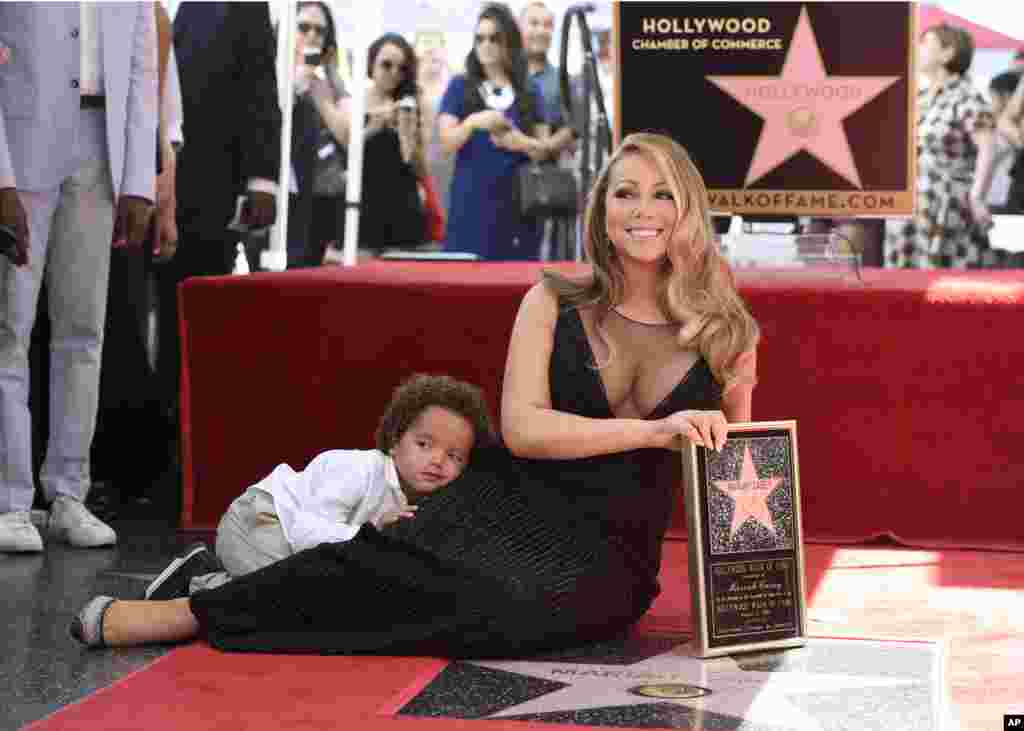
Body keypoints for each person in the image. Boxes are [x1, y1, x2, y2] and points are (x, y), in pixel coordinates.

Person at [70, 132, 759, 658]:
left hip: (609, 563)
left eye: (663, 193)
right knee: (388, 564)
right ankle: (191, 611)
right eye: (625, 192)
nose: (644, 211)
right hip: (509, 504)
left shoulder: (726, 328)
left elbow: (737, 473)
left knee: (495, 609)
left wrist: (739, 609)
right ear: (601, 208)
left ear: (688, 207)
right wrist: (653, 432)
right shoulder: (550, 301)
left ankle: (226, 591)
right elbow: (521, 429)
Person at [0, 3, 158, 552]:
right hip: (21, 145)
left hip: (101, 144)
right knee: (8, 329)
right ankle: (8, 500)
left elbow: (143, 67)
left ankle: (70, 491)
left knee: (84, 329)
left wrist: (140, 181)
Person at [137, 373, 494, 602]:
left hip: (291, 542)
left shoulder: (425, 499)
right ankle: (200, 583)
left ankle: (211, 575)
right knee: (295, 594)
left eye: (454, 456)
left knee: (324, 593)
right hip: (261, 522)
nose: (437, 461)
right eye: (425, 444)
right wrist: (369, 532)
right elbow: (305, 533)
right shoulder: (356, 468)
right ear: (396, 439)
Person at [155, 1, 281, 442]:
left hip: (207, 185)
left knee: (187, 322)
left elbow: (259, 86)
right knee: (115, 322)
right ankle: (117, 453)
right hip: (115, 173)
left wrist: (263, 179)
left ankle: (178, 446)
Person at [439, 2, 549, 260]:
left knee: (516, 285)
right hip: (470, 205)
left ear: (508, 41)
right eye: (479, 38)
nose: (485, 44)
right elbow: (446, 144)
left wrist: (519, 142)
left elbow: (544, 151)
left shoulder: (530, 90)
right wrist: (473, 122)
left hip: (519, 206)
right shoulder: (460, 86)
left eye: (494, 38)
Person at [884, 23, 998, 269]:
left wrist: (978, 196)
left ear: (948, 53)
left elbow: (988, 150)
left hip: (947, 207)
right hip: (909, 208)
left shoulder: (967, 96)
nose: (917, 49)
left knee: (946, 283)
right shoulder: (920, 98)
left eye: (925, 43)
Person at [312, 32, 427, 255]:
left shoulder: (410, 105)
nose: (394, 73)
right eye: (387, 65)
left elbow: (421, 171)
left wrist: (407, 138)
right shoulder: (353, 103)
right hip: (361, 208)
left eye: (401, 68)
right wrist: (371, 128)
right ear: (371, 63)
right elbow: (346, 146)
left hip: (402, 212)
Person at [286, 1, 350, 268]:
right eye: (303, 28)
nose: (311, 35)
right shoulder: (270, 68)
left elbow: (348, 135)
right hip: (281, 194)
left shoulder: (332, 78)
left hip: (322, 196)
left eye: (319, 31)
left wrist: (322, 98)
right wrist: (297, 82)